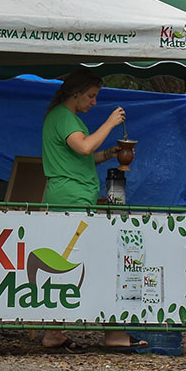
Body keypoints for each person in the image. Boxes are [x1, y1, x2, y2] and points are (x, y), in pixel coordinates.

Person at [37, 71, 142, 351]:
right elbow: (83, 147)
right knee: (82, 261)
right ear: (75, 93)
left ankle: (54, 332)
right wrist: (109, 123)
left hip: (73, 195)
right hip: (70, 199)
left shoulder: (66, 119)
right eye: (91, 95)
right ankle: (107, 332)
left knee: (66, 263)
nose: (94, 102)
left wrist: (109, 153)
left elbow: (82, 158)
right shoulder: (63, 118)